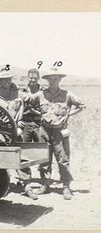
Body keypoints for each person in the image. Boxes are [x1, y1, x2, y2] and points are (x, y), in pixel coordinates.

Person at [27, 67, 86, 200]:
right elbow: (28, 103)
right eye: (50, 79)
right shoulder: (40, 95)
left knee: (63, 159)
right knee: (44, 159)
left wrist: (68, 115)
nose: (53, 81)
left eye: (55, 79)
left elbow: (82, 105)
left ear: (59, 80)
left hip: (60, 131)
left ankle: (66, 186)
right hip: (44, 131)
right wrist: (39, 114)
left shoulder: (67, 94)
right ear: (47, 80)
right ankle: (45, 184)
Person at [0, 70, 38, 199]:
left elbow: (31, 100)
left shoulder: (18, 94)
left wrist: (21, 120)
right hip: (0, 132)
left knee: (21, 158)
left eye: (9, 79)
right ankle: (2, 185)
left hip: (16, 131)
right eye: (4, 80)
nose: (7, 82)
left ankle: (27, 186)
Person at [22, 68, 43, 142]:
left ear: (38, 78)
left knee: (41, 147)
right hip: (25, 124)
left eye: (35, 78)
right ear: (28, 78)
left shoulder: (43, 92)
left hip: (39, 124)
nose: (33, 80)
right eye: (31, 78)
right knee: (25, 148)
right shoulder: (22, 91)